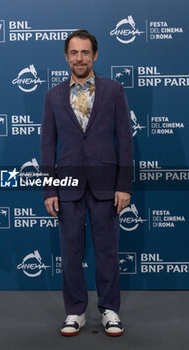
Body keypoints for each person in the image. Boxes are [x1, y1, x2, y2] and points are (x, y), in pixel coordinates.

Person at [41, 29, 133, 337]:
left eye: (85, 52)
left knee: (107, 251)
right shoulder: (53, 95)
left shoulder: (114, 90)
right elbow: (47, 146)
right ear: (66, 57)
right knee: (70, 252)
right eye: (74, 53)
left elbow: (126, 141)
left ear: (95, 55)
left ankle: (110, 309)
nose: (79, 58)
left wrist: (124, 185)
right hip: (67, 186)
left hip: (107, 185)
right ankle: (75, 310)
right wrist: (49, 188)